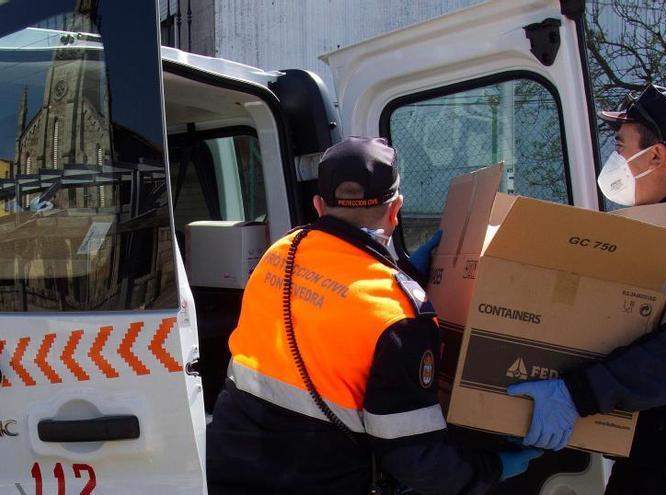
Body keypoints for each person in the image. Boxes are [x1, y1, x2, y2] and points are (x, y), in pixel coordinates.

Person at [207, 136, 540, 495]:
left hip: (230, 471)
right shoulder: (400, 318)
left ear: (319, 205)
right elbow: (417, 460)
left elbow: (329, 306)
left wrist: (407, 272)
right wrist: (491, 469)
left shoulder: (280, 253)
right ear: (396, 209)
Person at [506, 85, 666, 494]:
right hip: (661, 451)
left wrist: (578, 393)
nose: (615, 158)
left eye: (620, 145)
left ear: (656, 156)